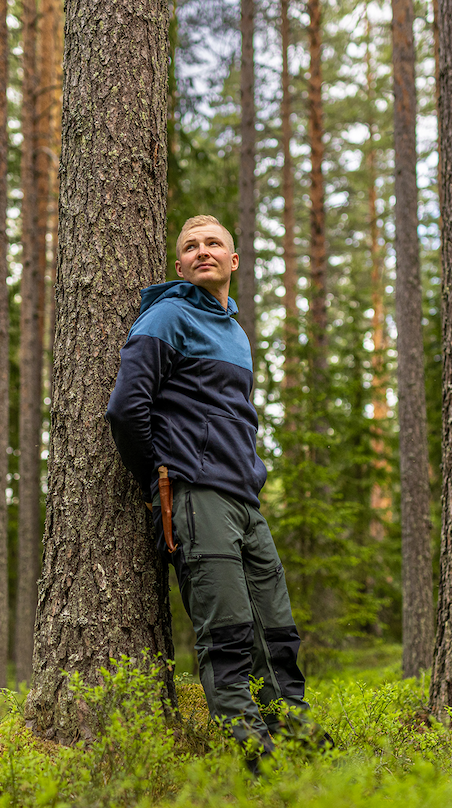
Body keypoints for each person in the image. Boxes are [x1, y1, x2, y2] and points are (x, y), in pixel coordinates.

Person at [105, 214, 320, 770]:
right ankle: (257, 761)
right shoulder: (168, 314)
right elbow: (126, 410)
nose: (203, 251)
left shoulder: (236, 330)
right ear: (179, 265)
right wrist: (159, 479)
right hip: (195, 498)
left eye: (213, 244)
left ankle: (295, 739)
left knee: (277, 633)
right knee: (226, 636)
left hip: (245, 500)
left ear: (233, 260)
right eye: (191, 246)